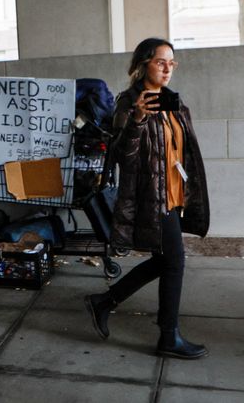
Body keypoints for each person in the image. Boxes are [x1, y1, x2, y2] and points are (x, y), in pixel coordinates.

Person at [84, 38, 210, 359]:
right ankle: (169, 337)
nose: (168, 69)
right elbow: (122, 156)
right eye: (160, 62)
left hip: (174, 192)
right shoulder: (128, 103)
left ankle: (104, 302)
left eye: (172, 63)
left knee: (164, 260)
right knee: (175, 262)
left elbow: (183, 151)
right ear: (144, 64)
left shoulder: (174, 102)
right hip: (151, 198)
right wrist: (138, 120)